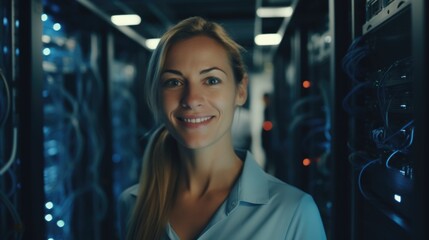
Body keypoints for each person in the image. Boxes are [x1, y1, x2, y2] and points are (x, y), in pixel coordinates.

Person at [118, 16, 326, 240]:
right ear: (156, 96)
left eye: (211, 80)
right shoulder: (132, 204)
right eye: (174, 82)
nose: (192, 99)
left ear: (241, 90)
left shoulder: (293, 212)